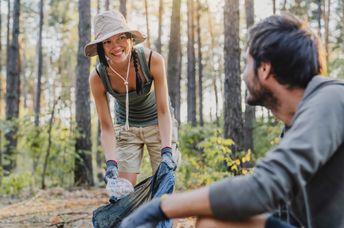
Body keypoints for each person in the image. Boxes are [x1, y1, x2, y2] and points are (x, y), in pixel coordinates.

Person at [120, 13, 344, 228]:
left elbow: (264, 187)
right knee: (214, 222)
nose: (244, 74)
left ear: (264, 69)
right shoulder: (297, 123)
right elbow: (283, 213)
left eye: (247, 63)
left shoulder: (331, 100)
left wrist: (161, 206)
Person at [84, 10, 180, 187]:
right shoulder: (97, 77)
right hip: (127, 128)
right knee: (123, 191)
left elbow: (164, 110)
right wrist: (111, 163)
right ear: (100, 47)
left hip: (159, 125)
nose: (116, 46)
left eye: (121, 37)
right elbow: (106, 126)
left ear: (130, 38)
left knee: (163, 184)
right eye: (107, 42)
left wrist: (167, 151)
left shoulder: (153, 60)